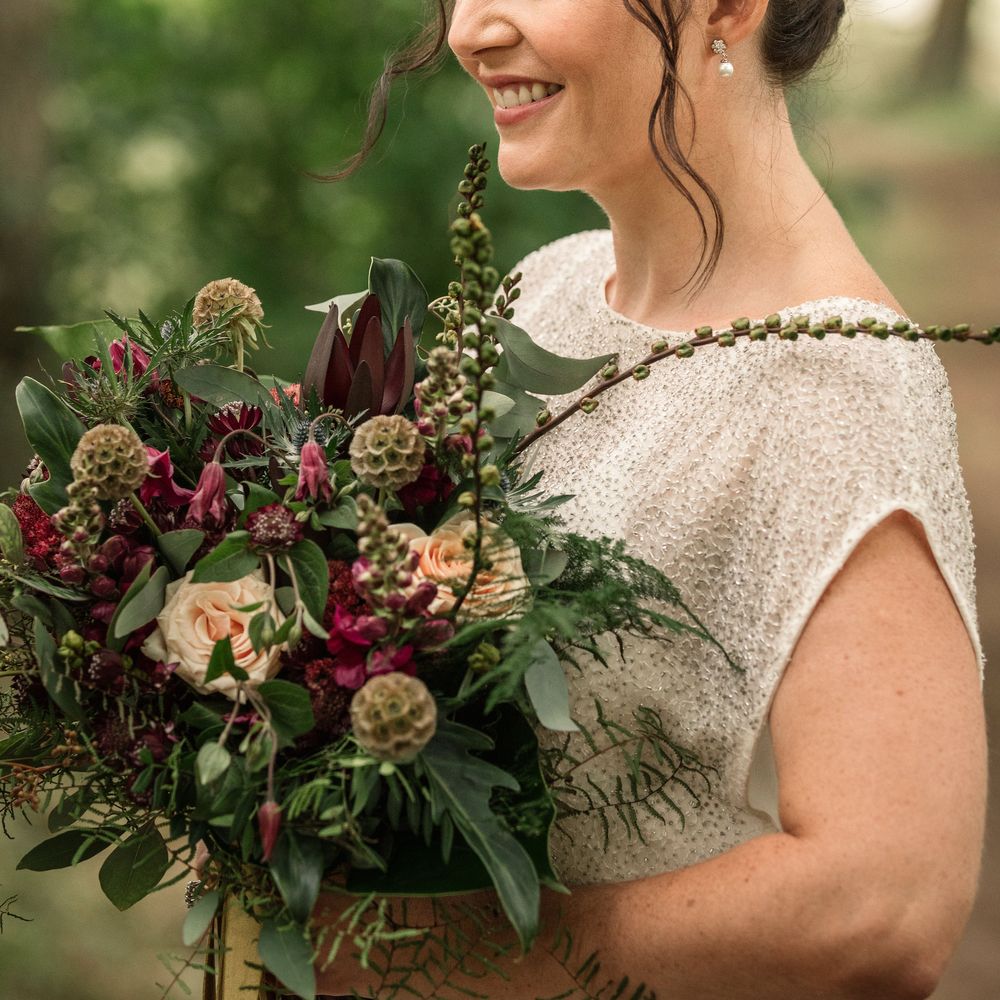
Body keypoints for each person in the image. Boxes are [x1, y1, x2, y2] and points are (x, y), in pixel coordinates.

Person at [310, 1, 988, 997]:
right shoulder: (549, 294)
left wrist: (435, 955)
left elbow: (879, 905)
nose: (468, 30)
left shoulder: (834, 387)